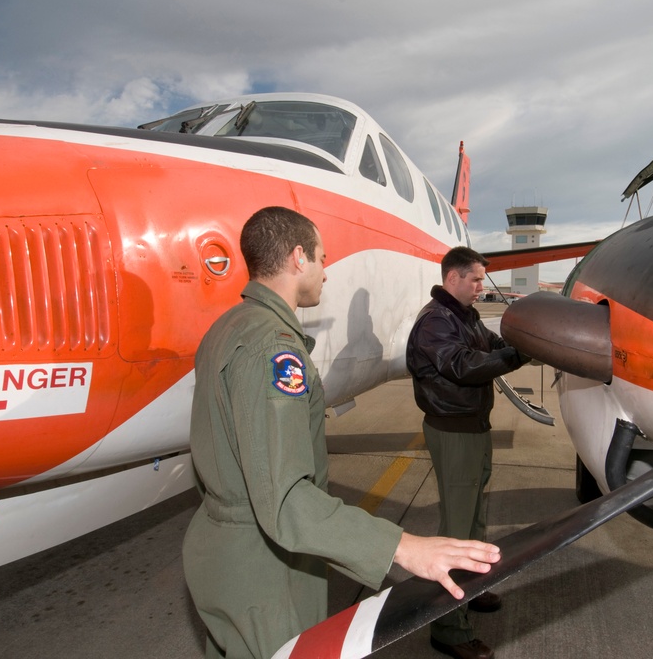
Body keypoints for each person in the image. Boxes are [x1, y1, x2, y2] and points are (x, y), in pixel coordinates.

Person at [183, 207, 501, 659]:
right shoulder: (275, 350)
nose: (326, 273)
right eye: (322, 258)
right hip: (263, 567)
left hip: (225, 550)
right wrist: (403, 547)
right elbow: (288, 500)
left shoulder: (228, 327)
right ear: (298, 258)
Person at [406, 246, 531, 659]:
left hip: (473, 428)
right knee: (458, 528)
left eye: (482, 279)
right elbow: (464, 365)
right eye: (476, 279)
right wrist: (515, 356)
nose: (482, 286)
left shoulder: (466, 316)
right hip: (453, 432)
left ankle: (470, 588)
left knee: (475, 515)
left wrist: (526, 343)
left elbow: (494, 345)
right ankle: (449, 630)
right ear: (453, 278)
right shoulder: (435, 323)